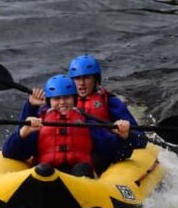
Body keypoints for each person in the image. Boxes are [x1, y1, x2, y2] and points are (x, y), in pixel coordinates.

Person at [2, 75, 132, 178]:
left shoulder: (87, 123)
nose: (62, 102)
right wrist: (22, 134)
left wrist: (123, 137)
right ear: (49, 101)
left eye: (67, 98)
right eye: (57, 99)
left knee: (82, 168)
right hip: (48, 177)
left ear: (74, 99)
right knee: (44, 170)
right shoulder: (39, 124)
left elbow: (113, 153)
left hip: (80, 178)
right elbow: (10, 153)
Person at [19, 55, 148, 151]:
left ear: (95, 80)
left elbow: (139, 138)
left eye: (86, 78)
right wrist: (31, 106)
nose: (81, 83)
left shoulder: (110, 101)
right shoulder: (58, 102)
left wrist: (123, 133)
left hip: (102, 149)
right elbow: (22, 129)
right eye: (77, 78)